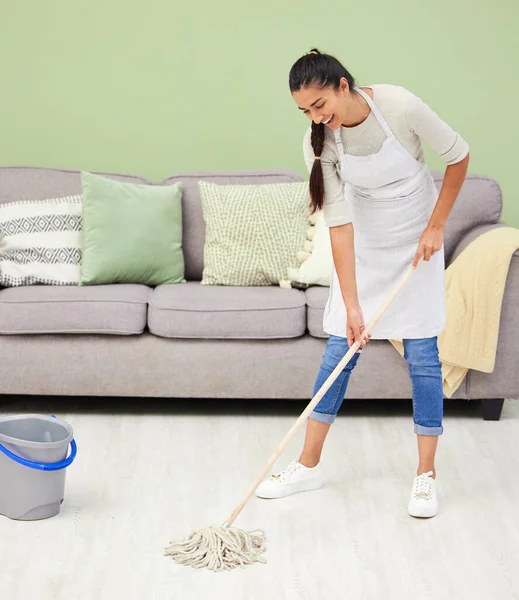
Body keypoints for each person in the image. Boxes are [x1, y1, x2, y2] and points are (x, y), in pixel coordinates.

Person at [255, 48, 470, 518]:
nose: (316, 117)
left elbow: (459, 156)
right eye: (305, 111)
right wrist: (352, 306)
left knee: (423, 356)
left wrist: (437, 226)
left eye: (319, 105)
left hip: (418, 246)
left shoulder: (400, 107)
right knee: (339, 352)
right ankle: (307, 464)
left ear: (342, 85)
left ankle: (426, 476)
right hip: (367, 249)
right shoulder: (320, 143)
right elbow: (339, 225)